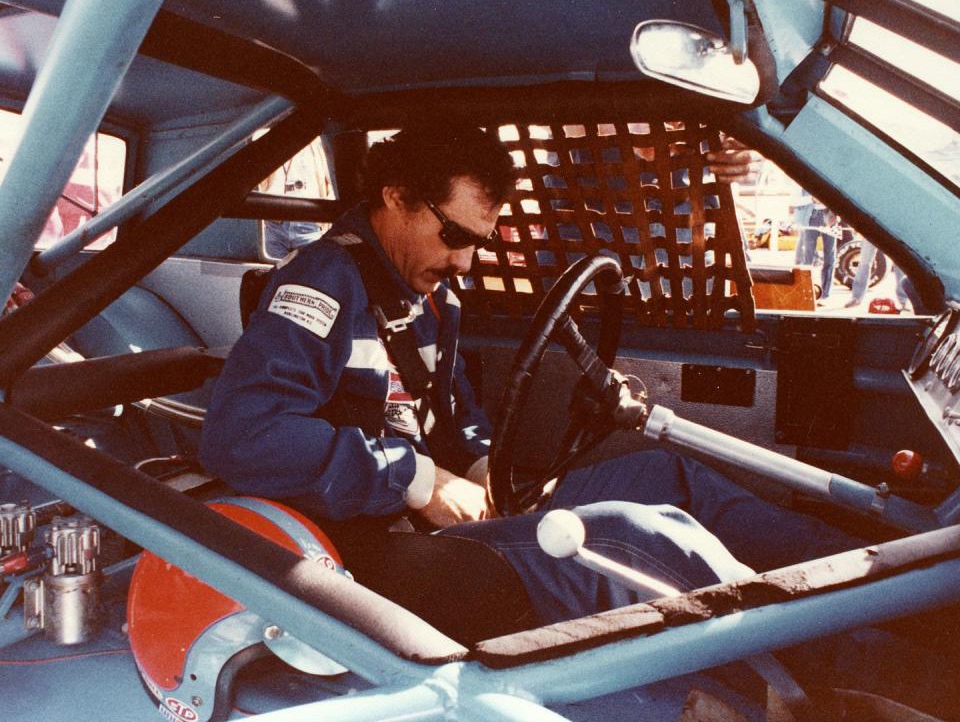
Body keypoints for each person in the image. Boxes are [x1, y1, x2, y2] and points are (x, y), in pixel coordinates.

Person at [200, 124, 857, 634]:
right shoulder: (322, 283)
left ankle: (866, 582)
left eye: (478, 240)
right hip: (373, 547)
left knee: (672, 476)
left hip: (443, 510)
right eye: (453, 233)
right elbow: (243, 438)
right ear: (396, 197)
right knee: (645, 539)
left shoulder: (432, 295)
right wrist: (415, 478)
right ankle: (844, 658)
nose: (464, 260)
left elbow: (452, 412)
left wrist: (484, 464)